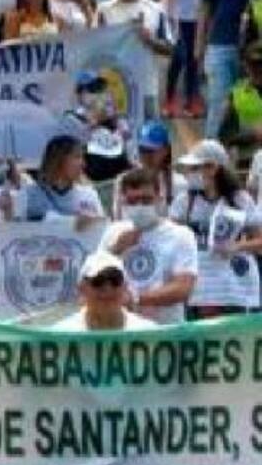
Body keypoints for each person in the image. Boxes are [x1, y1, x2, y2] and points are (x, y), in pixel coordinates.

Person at [172, 139, 261, 317]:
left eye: (195, 168)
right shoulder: (184, 202)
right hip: (200, 285)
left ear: (213, 168)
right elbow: (172, 238)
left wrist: (236, 247)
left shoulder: (240, 200)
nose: (190, 174)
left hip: (233, 287)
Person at [99, 168, 198, 325]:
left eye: (146, 200)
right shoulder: (113, 232)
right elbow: (92, 281)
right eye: (133, 201)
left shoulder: (181, 235)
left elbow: (183, 288)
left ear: (159, 198)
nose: (139, 206)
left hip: (165, 331)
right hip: (120, 330)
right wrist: (115, 251)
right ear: (123, 201)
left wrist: (136, 299)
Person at [197, 0, 262, 136]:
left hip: (250, 50)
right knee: (218, 101)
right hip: (218, 44)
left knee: (247, 101)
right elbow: (205, 10)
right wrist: (200, 46)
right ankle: (212, 150)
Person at [96, 0, 172, 116]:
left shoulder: (154, 9)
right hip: (115, 88)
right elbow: (94, 47)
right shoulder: (104, 10)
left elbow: (170, 48)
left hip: (147, 87)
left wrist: (148, 40)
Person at [50, 252, 158, 331]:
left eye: (115, 280)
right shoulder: (61, 334)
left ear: (125, 287)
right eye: (98, 281)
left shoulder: (149, 334)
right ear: (82, 288)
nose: (107, 288)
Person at [165, 0, 208, 118]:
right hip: (183, 18)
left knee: (195, 59)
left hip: (200, 19)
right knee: (181, 58)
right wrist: (168, 17)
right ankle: (171, 98)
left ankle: (192, 99)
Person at [111, 121, 187, 220]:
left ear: (165, 150)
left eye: (151, 151)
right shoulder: (123, 180)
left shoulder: (179, 183)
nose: (146, 156)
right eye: (142, 150)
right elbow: (117, 218)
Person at [25, 135, 106, 225]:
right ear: (58, 159)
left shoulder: (89, 195)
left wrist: (95, 220)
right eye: (77, 157)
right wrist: (74, 221)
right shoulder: (32, 194)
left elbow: (101, 228)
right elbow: (34, 221)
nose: (83, 164)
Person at [219, 40, 262, 151]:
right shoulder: (236, 94)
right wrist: (252, 135)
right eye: (255, 64)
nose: (259, 69)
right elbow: (225, 137)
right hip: (248, 163)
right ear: (247, 66)